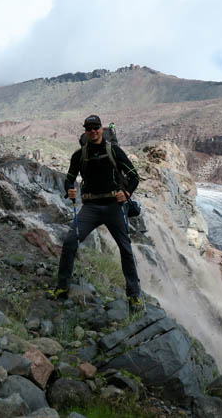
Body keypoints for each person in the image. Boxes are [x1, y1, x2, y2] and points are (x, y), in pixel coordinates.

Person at [51, 114, 143, 312]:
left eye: (96, 127)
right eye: (89, 128)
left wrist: (126, 193)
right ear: (85, 131)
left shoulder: (114, 151)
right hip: (91, 207)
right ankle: (61, 287)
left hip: (114, 207)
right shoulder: (79, 155)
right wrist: (69, 189)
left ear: (101, 129)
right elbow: (69, 179)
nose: (93, 131)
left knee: (126, 249)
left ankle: (134, 295)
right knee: (69, 242)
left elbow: (134, 176)